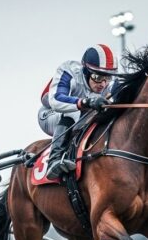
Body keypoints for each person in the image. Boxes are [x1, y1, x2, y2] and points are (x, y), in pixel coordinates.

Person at [38, 44, 116, 180]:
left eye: (108, 78)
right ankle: (54, 159)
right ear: (86, 71)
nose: (103, 84)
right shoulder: (69, 71)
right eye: (98, 77)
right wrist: (86, 102)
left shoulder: (107, 86)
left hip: (82, 118)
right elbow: (56, 100)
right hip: (50, 114)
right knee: (73, 112)